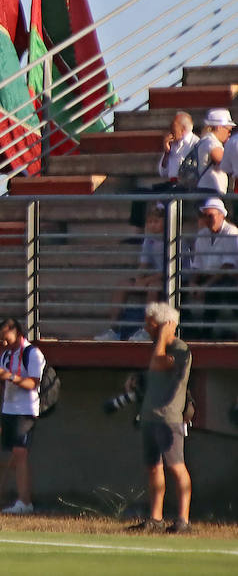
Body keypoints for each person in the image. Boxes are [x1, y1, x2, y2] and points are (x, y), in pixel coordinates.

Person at [128, 302, 193, 533]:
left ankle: (183, 520)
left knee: (176, 466)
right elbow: (154, 374)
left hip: (168, 419)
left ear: (164, 325)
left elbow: (159, 363)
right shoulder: (157, 348)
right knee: (153, 467)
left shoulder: (178, 349)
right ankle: (155, 519)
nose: (146, 328)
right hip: (149, 416)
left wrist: (165, 334)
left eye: (150, 324)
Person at [0, 318, 44, 514]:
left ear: (17, 332)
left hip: (26, 410)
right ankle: (23, 499)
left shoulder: (32, 353)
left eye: (6, 337)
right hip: (9, 409)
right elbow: (4, 392)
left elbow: (33, 384)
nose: (3, 342)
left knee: (21, 453)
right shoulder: (5, 356)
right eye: (0, 338)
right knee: (16, 455)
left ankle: (25, 502)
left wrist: (9, 376)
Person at [96, 205, 167, 341]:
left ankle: (147, 331)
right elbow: (143, 264)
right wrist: (139, 278)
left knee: (153, 287)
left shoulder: (172, 239)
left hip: (171, 277)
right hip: (153, 277)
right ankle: (114, 330)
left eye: (156, 221)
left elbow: (168, 270)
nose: (152, 225)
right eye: (150, 222)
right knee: (122, 285)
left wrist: (146, 281)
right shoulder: (149, 240)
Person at [188, 197, 238, 340]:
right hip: (209, 276)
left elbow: (227, 266)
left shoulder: (231, 232)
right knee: (180, 289)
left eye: (210, 216)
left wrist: (205, 286)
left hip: (227, 276)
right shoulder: (202, 234)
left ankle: (207, 333)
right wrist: (193, 283)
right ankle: (190, 331)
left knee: (216, 290)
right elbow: (197, 263)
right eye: (205, 216)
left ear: (222, 215)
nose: (207, 220)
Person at [194, 108, 233, 195]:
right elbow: (224, 163)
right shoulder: (212, 142)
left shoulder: (205, 140)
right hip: (210, 190)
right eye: (229, 130)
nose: (229, 134)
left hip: (209, 189)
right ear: (219, 127)